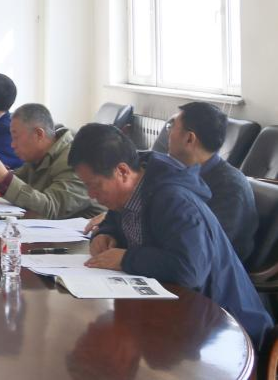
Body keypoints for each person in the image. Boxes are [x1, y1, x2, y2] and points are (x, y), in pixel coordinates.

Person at [68, 123, 271, 348]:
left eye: (95, 186)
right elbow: (114, 220)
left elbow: (189, 270)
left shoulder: (174, 200)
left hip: (226, 328)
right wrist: (105, 234)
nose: (91, 195)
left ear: (122, 172)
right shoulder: (128, 191)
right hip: (175, 314)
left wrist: (125, 258)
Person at [0, 104, 102, 219]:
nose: (12, 145)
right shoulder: (37, 156)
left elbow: (52, 208)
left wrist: (5, 177)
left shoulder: (74, 159)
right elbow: (18, 181)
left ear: (39, 134)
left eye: (16, 137)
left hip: (85, 236)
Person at [166, 102, 258, 262]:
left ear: (189, 138)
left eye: (171, 127)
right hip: (176, 259)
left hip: (212, 271)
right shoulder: (178, 171)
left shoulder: (230, 187)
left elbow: (205, 247)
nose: (168, 134)